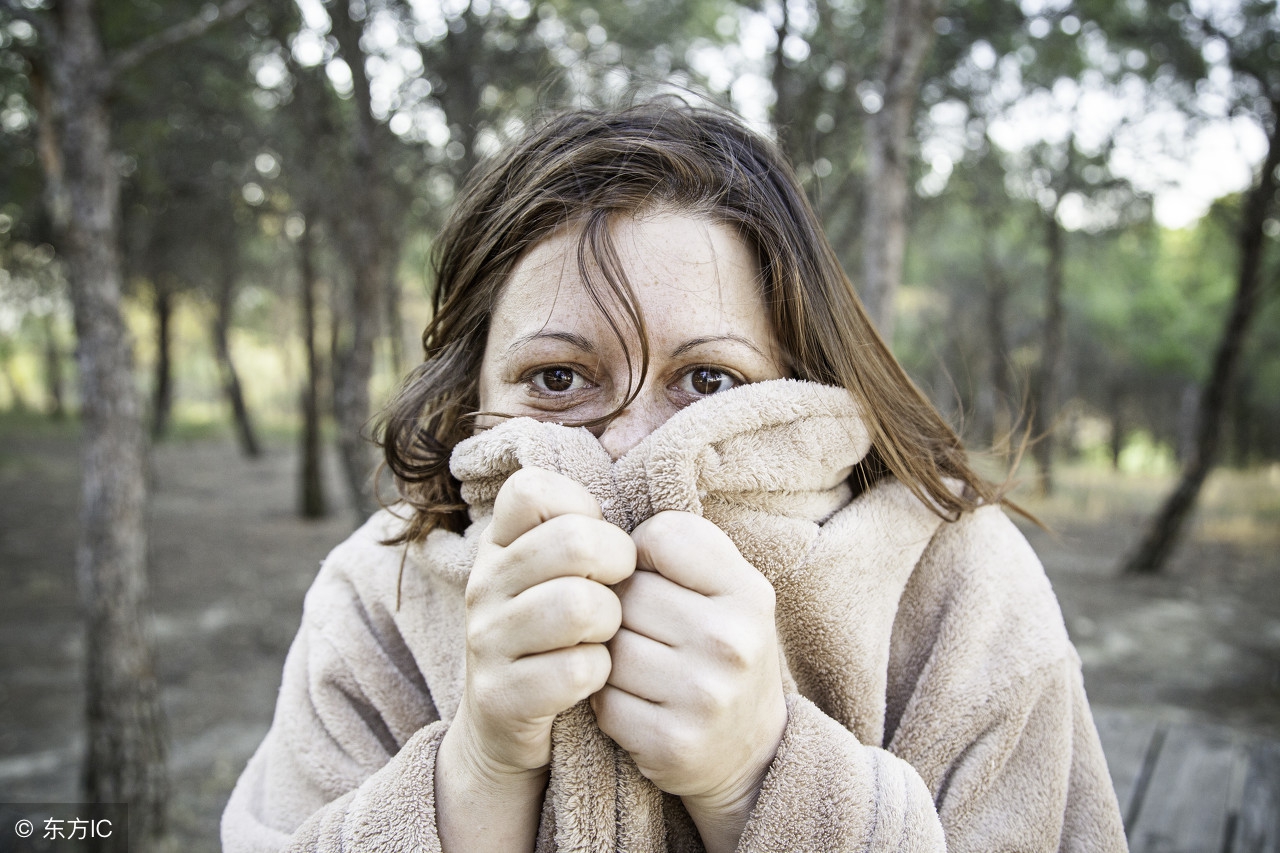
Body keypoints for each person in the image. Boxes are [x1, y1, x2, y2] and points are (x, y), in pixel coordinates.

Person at [222, 98, 1128, 852]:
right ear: (470, 393)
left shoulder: (961, 579)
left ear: (803, 374)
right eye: (558, 378)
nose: (624, 444)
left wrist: (759, 773)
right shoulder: (375, 588)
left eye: (708, 380)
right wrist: (479, 769)